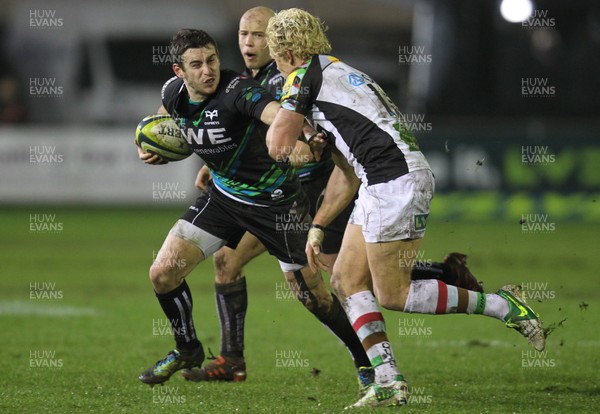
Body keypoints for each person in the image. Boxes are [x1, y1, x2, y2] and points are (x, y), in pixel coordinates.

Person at [181, 7, 484, 389]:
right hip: (269, 191)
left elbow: (312, 143)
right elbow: (248, 134)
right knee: (238, 262)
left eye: (258, 35)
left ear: (278, 42)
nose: (249, 43)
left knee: (333, 277)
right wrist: (221, 162)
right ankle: (232, 359)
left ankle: (373, 357)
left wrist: (309, 147)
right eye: (243, 34)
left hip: (308, 192)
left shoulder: (290, 79)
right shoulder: (245, 81)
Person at [265, 8, 545, 408]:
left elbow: (277, 145)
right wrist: (320, 226)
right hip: (386, 178)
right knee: (345, 279)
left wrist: (297, 142)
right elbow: (347, 172)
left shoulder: (302, 78)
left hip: (393, 182)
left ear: (287, 51)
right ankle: (388, 381)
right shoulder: (334, 72)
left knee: (393, 294)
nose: (275, 65)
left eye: (276, 56)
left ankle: (503, 304)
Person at [136, 27, 378, 389]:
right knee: (162, 274)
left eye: (212, 60)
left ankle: (367, 362)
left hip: (276, 206)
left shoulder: (238, 91)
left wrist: (306, 138)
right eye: (197, 64)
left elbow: (277, 113)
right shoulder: (172, 94)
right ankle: (188, 348)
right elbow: (158, 123)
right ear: (179, 72)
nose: (208, 70)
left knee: (314, 296)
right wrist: (147, 145)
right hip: (224, 199)